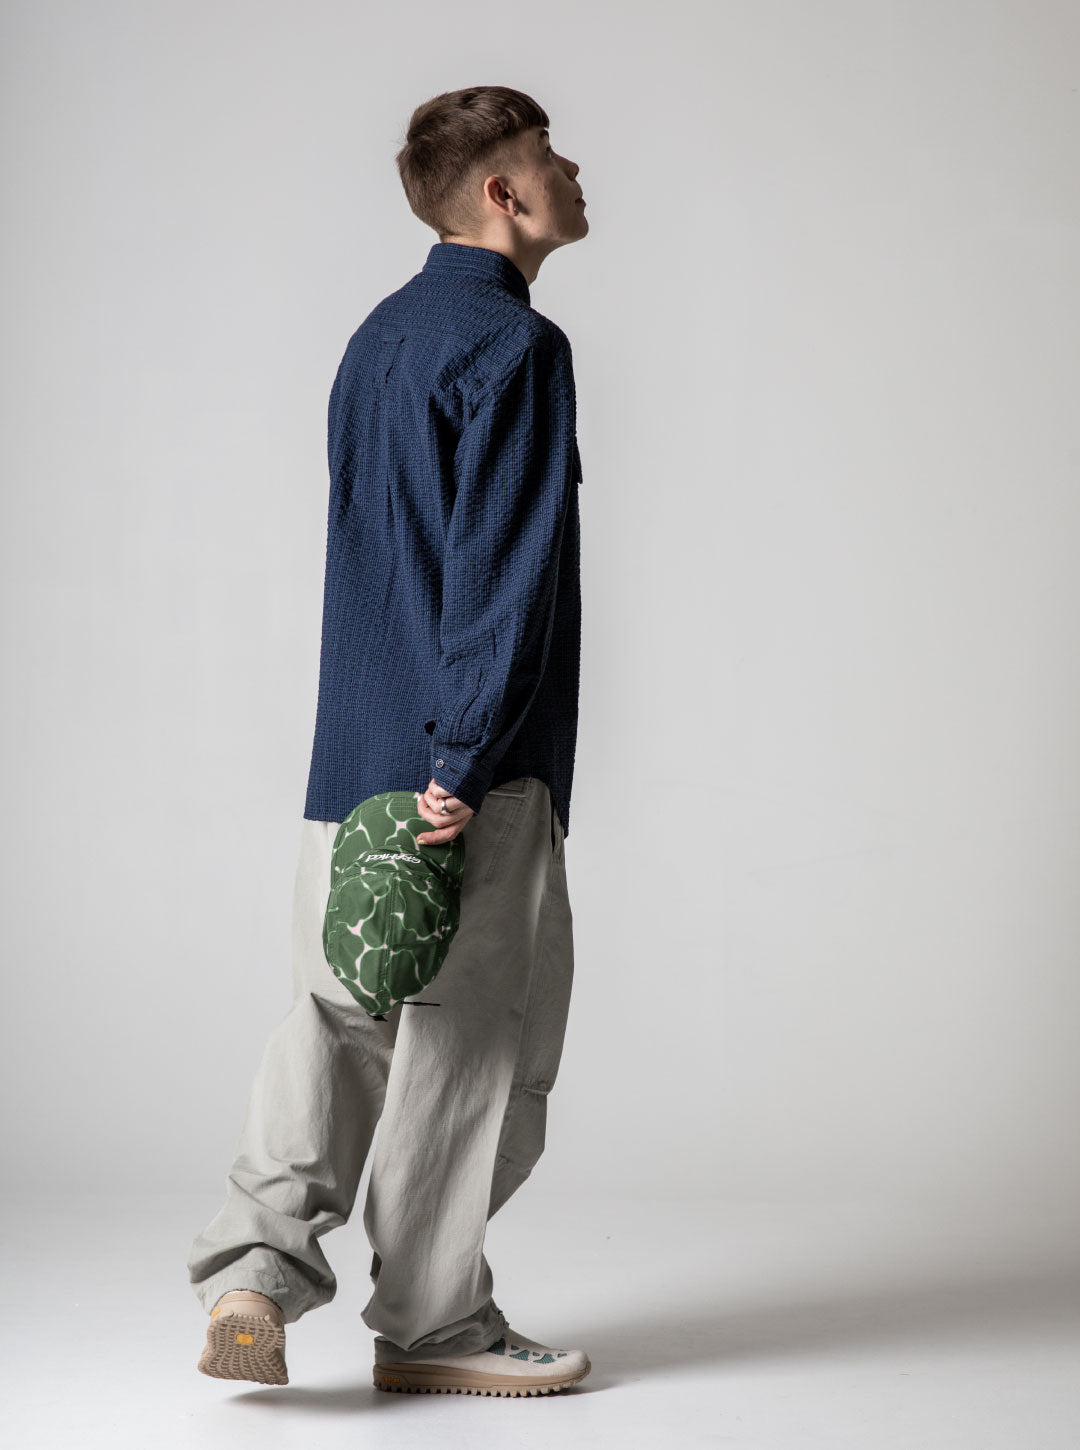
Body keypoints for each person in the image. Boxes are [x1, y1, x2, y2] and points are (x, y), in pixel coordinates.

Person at [186, 84, 590, 1398]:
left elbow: (380, 559)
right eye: (549, 155)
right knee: (473, 1044)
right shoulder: (518, 348)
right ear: (504, 195)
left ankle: (253, 1274)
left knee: (335, 1015)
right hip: (468, 771)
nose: (575, 171)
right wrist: (462, 763)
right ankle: (433, 1321)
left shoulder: (377, 338)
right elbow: (497, 574)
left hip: (351, 755)